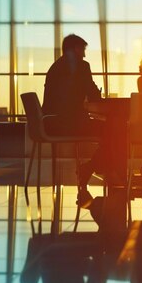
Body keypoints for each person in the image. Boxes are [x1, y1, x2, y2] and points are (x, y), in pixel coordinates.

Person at [42, 34, 104, 206]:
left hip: (52, 124)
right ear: (75, 49)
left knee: (110, 129)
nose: (84, 54)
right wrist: (97, 95)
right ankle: (93, 168)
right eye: (83, 50)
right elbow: (93, 95)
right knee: (113, 130)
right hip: (70, 124)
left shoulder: (55, 67)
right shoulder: (82, 67)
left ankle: (94, 167)